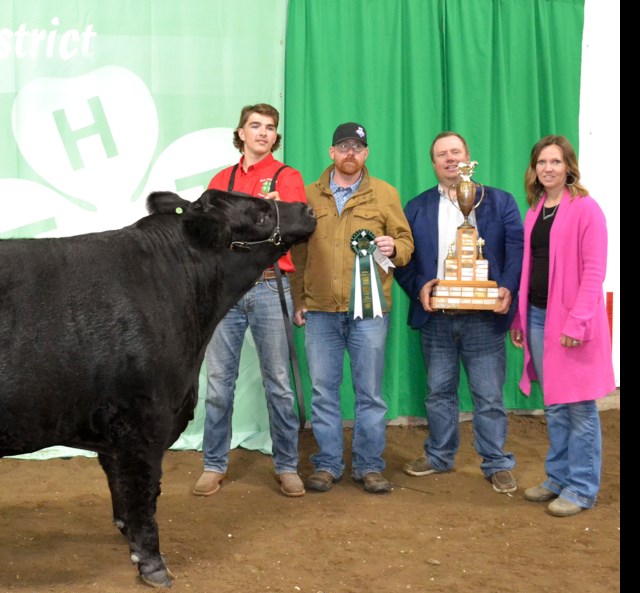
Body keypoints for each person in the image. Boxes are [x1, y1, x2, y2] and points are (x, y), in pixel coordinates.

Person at [394, 132, 523, 493]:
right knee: (438, 391)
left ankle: (496, 461)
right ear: (433, 163)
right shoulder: (417, 207)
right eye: (441, 155)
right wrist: (419, 286)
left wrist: (507, 288)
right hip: (437, 316)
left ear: (468, 157)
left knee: (489, 395)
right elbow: (403, 259)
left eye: (456, 152)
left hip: (483, 317)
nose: (450, 159)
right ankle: (439, 455)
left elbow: (516, 250)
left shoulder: (499, 201)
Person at [289, 122, 413, 494]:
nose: (350, 153)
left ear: (366, 153)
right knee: (324, 391)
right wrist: (299, 300)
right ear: (331, 153)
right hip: (321, 312)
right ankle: (327, 464)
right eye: (343, 147)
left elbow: (405, 242)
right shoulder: (309, 195)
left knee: (369, 392)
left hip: (369, 312)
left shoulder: (385, 194)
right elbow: (297, 253)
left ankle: (369, 465)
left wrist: (396, 248)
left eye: (357, 148)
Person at [193, 103, 308, 499]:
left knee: (279, 383)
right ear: (240, 133)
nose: (262, 132)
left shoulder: (288, 177)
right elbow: (207, 236)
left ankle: (287, 466)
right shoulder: (220, 179)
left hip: (269, 285)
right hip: (225, 291)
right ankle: (213, 464)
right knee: (219, 383)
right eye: (254, 125)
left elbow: (292, 227)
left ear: (276, 137)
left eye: (270, 127)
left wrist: (267, 215)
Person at [509, 135, 615, 517]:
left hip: (572, 323)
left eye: (555, 162)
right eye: (541, 162)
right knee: (554, 403)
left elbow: (594, 272)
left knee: (579, 407)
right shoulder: (536, 209)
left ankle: (582, 488)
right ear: (534, 169)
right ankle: (557, 477)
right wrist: (520, 317)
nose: (548, 168)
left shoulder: (587, 209)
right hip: (538, 316)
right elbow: (530, 267)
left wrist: (578, 319)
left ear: (569, 166)